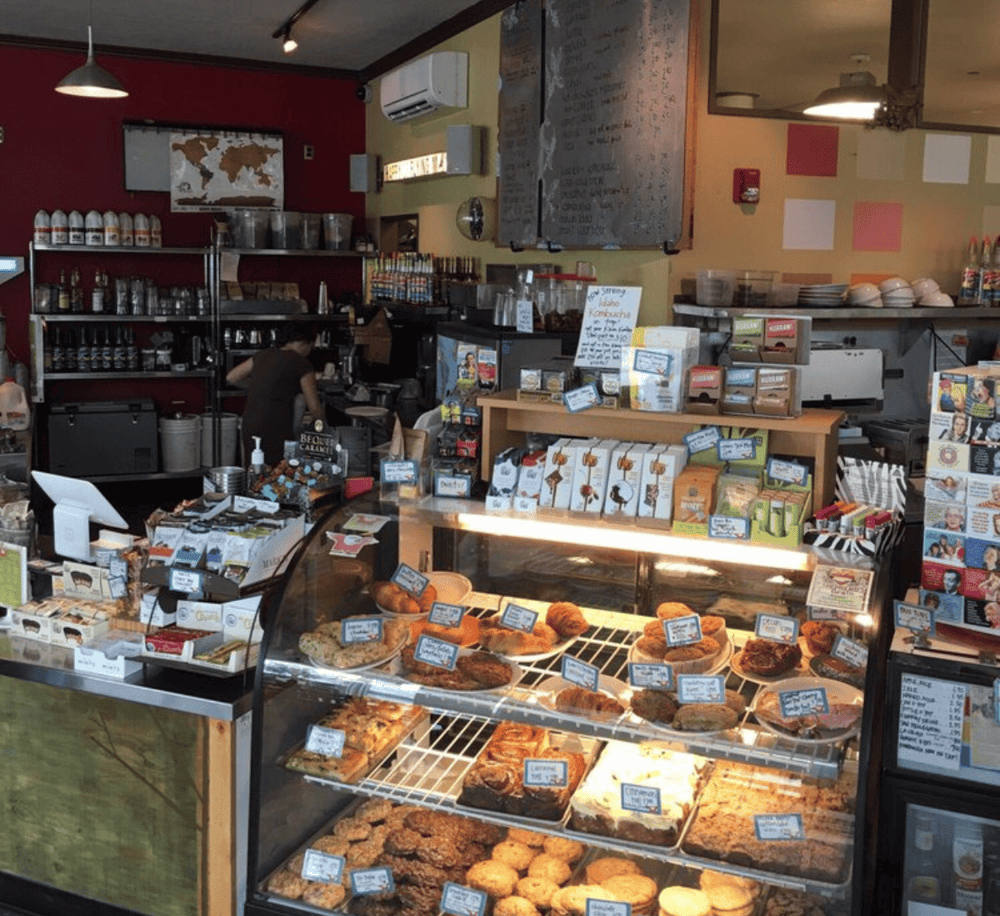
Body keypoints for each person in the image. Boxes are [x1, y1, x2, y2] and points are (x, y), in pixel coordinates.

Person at [226, 324, 325, 467]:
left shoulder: (263, 355)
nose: (309, 352)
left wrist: (261, 385)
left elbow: (231, 377)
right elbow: (315, 408)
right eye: (311, 347)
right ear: (305, 344)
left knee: (255, 471)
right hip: (276, 428)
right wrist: (323, 430)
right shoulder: (302, 363)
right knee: (277, 476)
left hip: (250, 424)